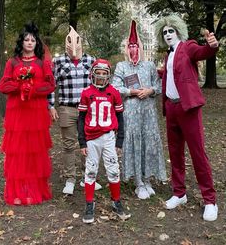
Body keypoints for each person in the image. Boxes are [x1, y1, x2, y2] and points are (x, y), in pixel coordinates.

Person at [155, 14, 219, 222]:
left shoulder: (188, 46)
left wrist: (212, 45)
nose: (167, 35)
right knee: (175, 153)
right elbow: (172, 76)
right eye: (164, 32)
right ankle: (179, 193)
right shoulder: (168, 55)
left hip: (188, 108)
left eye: (170, 31)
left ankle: (210, 200)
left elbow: (204, 52)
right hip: (171, 108)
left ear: (178, 31)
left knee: (198, 153)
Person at [0, 22, 55, 205]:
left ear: (36, 43)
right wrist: (20, 86)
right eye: (26, 39)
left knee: (34, 151)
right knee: (19, 151)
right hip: (18, 114)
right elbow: (3, 85)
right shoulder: (13, 62)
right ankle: (19, 190)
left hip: (36, 113)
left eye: (33, 40)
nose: (29, 43)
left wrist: (33, 88)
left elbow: (50, 85)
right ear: (21, 42)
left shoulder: (41, 62)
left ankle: (34, 189)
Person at [112, 20, 167, 200]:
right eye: (130, 46)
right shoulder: (122, 66)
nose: (133, 49)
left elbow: (159, 85)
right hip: (132, 113)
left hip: (149, 113)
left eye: (136, 45)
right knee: (135, 143)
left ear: (141, 47)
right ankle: (138, 182)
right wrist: (132, 91)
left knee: (148, 143)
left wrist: (150, 90)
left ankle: (147, 178)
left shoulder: (149, 65)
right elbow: (115, 87)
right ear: (126, 48)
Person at [48, 26, 101, 195]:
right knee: (69, 145)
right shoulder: (58, 62)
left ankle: (88, 178)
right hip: (67, 109)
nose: (73, 48)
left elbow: (99, 85)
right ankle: (70, 178)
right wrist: (50, 105)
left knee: (89, 144)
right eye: (69, 43)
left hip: (87, 109)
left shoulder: (91, 61)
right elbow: (50, 85)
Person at [77, 59, 131, 223]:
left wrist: (119, 141)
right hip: (92, 139)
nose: (100, 77)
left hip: (108, 137)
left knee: (113, 170)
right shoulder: (86, 92)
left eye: (104, 74)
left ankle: (116, 202)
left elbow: (120, 118)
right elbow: (81, 119)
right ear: (92, 74)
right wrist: (82, 142)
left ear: (108, 75)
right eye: (98, 73)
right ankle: (89, 204)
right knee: (91, 171)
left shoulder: (114, 92)